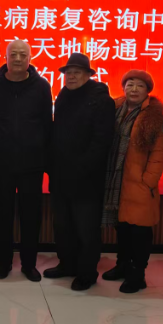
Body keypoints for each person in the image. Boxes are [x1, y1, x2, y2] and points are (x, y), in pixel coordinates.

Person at [44, 53, 116, 291]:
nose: (71, 76)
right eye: (68, 73)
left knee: (86, 229)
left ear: (88, 75)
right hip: (61, 177)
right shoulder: (64, 96)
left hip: (86, 179)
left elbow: (101, 142)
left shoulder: (101, 100)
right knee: (63, 226)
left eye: (77, 72)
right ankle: (67, 264)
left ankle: (87, 273)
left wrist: (81, 169)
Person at [0, 39, 52, 282]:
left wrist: (45, 160)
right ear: (6, 57)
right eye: (14, 54)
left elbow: (47, 125)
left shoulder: (42, 86)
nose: (18, 58)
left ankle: (29, 264)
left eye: (23, 54)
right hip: (0, 164)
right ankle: (4, 262)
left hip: (32, 165)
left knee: (31, 215)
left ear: (30, 58)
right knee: (2, 214)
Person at [101, 70, 163, 294]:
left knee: (140, 231)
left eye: (140, 85)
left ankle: (138, 274)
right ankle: (122, 265)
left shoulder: (153, 116)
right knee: (122, 227)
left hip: (139, 182)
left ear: (148, 90)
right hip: (116, 179)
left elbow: (159, 153)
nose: (134, 89)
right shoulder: (115, 108)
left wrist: (148, 181)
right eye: (130, 84)